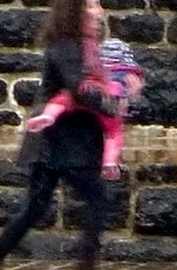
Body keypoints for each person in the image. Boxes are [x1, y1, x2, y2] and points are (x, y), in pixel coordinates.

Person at [0, 0, 143, 270]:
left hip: (65, 140)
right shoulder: (66, 45)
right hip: (58, 140)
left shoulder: (88, 46)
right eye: (91, 5)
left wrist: (127, 82)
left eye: (98, 4)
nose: (99, 11)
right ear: (75, 11)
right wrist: (110, 104)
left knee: (36, 208)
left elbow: (104, 79)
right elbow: (78, 88)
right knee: (93, 201)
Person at [25, 37, 144, 181]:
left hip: (89, 92)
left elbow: (80, 76)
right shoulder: (129, 74)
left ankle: (49, 115)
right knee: (113, 134)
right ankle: (109, 162)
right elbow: (134, 95)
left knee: (64, 99)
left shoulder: (95, 67)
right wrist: (127, 101)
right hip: (111, 101)